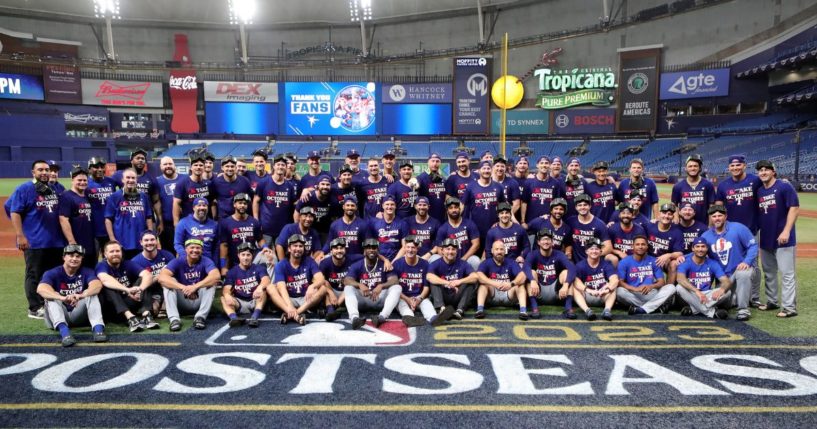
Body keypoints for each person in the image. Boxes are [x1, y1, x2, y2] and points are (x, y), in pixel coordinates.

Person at [10, 160, 66, 319]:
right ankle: (34, 307)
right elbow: (13, 211)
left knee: (52, 274)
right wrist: (20, 235)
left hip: (55, 241)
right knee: (34, 274)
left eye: (47, 170)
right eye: (40, 170)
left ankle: (50, 302)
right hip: (34, 241)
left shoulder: (56, 188)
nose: (45, 173)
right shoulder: (24, 188)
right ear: (33, 172)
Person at [714, 154, 762, 307]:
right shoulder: (723, 185)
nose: (735, 168)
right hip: (730, 232)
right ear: (729, 168)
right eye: (732, 166)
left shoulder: (755, 181)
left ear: (744, 166)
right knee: (729, 262)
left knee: (753, 264)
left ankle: (753, 297)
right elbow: (718, 208)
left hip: (752, 228)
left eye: (738, 165)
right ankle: (731, 294)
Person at [37, 244, 107, 347]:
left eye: (78, 256)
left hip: (77, 313)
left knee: (91, 294)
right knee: (52, 296)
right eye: (71, 255)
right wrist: (62, 298)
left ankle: (98, 330)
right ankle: (65, 333)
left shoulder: (87, 271)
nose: (74, 259)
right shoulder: (52, 272)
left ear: (82, 259)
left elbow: (97, 285)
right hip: (57, 316)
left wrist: (81, 295)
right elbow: (41, 289)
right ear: (63, 257)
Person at [755, 159, 800, 318]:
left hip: (784, 238)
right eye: (760, 170)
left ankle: (789, 307)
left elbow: (794, 208)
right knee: (769, 272)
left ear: (773, 171)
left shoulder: (784, 186)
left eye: (767, 169)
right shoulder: (760, 191)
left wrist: (786, 231)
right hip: (766, 237)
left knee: (787, 274)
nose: (763, 172)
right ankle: (772, 301)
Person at [699, 204, 758, 321]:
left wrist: (746, 261)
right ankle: (735, 299)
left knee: (743, 273)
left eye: (720, 215)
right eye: (714, 216)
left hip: (738, 271)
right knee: (723, 299)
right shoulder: (706, 235)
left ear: (725, 216)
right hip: (723, 278)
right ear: (710, 218)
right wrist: (682, 257)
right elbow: (700, 255)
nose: (717, 218)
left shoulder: (738, 228)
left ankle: (743, 309)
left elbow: (753, 245)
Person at [158, 239, 221, 331]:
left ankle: (200, 317)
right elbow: (161, 278)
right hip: (182, 301)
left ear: (202, 250)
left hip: (199, 300)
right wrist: (183, 287)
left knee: (212, 283)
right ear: (186, 249)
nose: (195, 250)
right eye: (192, 247)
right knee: (168, 283)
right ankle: (174, 319)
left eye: (198, 248)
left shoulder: (206, 261)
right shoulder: (177, 261)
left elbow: (216, 276)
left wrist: (195, 287)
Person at [393, 236, 455, 326]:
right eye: (408, 247)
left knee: (426, 303)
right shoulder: (397, 263)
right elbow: (395, 287)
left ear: (417, 249)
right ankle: (410, 318)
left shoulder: (425, 264)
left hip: (419, 297)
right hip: (403, 297)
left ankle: (434, 318)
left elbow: (426, 288)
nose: (410, 250)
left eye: (413, 247)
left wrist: (419, 298)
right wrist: (408, 299)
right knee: (401, 304)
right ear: (404, 248)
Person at [95, 240, 157, 331]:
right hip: (112, 309)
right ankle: (131, 319)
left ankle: (146, 316)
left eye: (117, 251)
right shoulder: (101, 265)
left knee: (145, 281)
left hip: (129, 301)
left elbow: (147, 275)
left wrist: (140, 289)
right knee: (107, 286)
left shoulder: (127, 263)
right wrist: (127, 289)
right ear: (105, 254)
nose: (115, 254)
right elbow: (105, 279)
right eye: (111, 251)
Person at [343, 238, 402, 329]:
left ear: (377, 250)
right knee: (348, 288)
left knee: (397, 287)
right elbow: (346, 280)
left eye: (374, 248)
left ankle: (382, 317)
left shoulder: (384, 264)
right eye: (368, 248)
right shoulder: (357, 265)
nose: (371, 250)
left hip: (379, 298)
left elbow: (394, 280)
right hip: (364, 298)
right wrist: (359, 284)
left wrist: (382, 285)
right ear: (364, 251)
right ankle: (355, 318)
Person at [271, 234, 327, 325]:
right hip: (288, 298)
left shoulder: (309, 261)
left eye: (301, 246)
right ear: (289, 248)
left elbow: (321, 278)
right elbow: (281, 287)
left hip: (306, 298)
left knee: (323, 288)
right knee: (271, 287)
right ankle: (295, 315)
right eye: (295, 246)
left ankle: (295, 313)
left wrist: (312, 286)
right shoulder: (281, 264)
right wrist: (289, 305)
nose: (298, 248)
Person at [616, 235, 676, 315]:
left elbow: (661, 282)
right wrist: (634, 289)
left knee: (671, 287)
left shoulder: (654, 261)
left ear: (647, 246)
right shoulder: (624, 262)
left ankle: (643, 309)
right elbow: (620, 282)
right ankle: (654, 307)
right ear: (632, 247)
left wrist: (651, 286)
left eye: (643, 244)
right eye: (637, 244)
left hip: (651, 293)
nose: (640, 247)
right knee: (618, 291)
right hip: (634, 294)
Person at [525, 228, 576, 319]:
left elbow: (572, 268)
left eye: (548, 239)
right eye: (543, 239)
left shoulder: (559, 254)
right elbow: (526, 267)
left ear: (552, 242)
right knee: (531, 273)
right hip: (538, 291)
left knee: (566, 273)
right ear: (538, 242)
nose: (546, 242)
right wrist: (532, 281)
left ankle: (568, 308)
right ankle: (534, 308)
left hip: (556, 292)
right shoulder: (532, 254)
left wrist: (565, 285)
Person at [676, 237, 731, 319]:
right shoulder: (685, 262)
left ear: (707, 248)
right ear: (693, 249)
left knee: (727, 292)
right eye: (697, 246)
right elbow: (680, 279)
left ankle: (693, 309)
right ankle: (711, 312)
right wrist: (697, 291)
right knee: (679, 287)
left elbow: (726, 281)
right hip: (692, 293)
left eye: (703, 246)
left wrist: (722, 290)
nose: (700, 249)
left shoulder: (712, 263)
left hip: (707, 295)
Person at [105, 169, 155, 260]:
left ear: (137, 180)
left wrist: (150, 235)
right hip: (122, 241)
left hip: (140, 241)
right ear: (122, 180)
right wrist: (112, 238)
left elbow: (148, 217)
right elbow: (108, 219)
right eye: (128, 178)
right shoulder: (114, 196)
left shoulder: (143, 196)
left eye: (133, 178)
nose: (131, 180)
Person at [475, 240, 529, 320]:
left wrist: (511, 284)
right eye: (496, 249)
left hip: (508, 294)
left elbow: (523, 276)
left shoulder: (511, 262)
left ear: (505, 251)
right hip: (492, 294)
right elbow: (478, 276)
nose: (499, 251)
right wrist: (493, 283)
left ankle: (523, 311)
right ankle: (480, 310)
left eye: (501, 249)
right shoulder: (486, 262)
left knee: (519, 286)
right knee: (483, 285)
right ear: (492, 251)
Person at [427, 238, 479, 320]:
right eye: (448, 249)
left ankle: (459, 311)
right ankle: (442, 309)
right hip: (443, 295)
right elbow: (429, 276)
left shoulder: (463, 263)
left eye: (453, 249)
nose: (450, 252)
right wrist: (447, 283)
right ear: (442, 250)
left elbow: (475, 277)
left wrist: (460, 281)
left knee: (471, 282)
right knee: (434, 281)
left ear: (456, 251)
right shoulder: (436, 263)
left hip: (457, 294)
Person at [111, 148, 161, 230]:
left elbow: (156, 201)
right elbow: (108, 186)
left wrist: (160, 220)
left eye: (143, 159)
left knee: (148, 241)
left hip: (147, 218)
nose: (141, 160)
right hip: (126, 218)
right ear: (131, 160)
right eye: (138, 158)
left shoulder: (151, 178)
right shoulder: (120, 175)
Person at [222, 243, 269, 328]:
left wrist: (260, 287)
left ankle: (255, 317)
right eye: (243, 255)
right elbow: (226, 288)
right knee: (223, 298)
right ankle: (234, 318)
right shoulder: (232, 272)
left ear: (252, 256)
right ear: (238, 255)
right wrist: (227, 295)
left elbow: (266, 280)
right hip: (239, 302)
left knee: (263, 291)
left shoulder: (259, 268)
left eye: (248, 255)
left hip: (255, 300)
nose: (245, 258)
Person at [254, 155, 298, 246]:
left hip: (283, 229)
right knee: (265, 256)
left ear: (286, 167)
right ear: (274, 166)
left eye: (283, 165)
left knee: (281, 255)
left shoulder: (289, 186)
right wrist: (256, 220)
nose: (280, 167)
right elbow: (256, 201)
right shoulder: (263, 183)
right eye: (278, 164)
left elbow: (294, 206)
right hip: (266, 228)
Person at [130, 230, 175, 318]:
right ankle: (156, 303)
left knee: (171, 279)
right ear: (141, 242)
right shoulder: (135, 261)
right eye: (146, 240)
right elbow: (138, 284)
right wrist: (158, 277)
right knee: (154, 311)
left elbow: (175, 274)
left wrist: (160, 277)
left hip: (168, 289)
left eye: (152, 240)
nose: (149, 243)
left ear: (157, 241)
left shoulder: (168, 255)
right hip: (149, 291)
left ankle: (165, 307)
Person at [59, 166, 96, 269]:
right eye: (79, 180)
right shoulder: (66, 196)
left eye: (85, 180)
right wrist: (72, 242)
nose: (82, 182)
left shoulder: (86, 196)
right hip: (76, 242)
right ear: (72, 180)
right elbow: (63, 219)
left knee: (89, 270)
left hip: (89, 242)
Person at [462, 160, 506, 246]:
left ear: (492, 170)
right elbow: (463, 205)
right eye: (484, 168)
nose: (486, 171)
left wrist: (501, 221)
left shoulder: (499, 186)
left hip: (494, 227)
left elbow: (504, 206)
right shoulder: (471, 186)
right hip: (475, 228)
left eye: (488, 168)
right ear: (479, 171)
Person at [573, 238, 618, 321]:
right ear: (586, 251)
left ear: (601, 251)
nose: (594, 251)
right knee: (574, 288)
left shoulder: (606, 264)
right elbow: (576, 281)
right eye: (591, 249)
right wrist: (588, 290)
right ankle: (587, 311)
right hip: (587, 295)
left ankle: (607, 310)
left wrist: (607, 289)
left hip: (602, 294)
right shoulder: (580, 265)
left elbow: (614, 279)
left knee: (613, 287)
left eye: (597, 249)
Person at [319, 237, 363, 322]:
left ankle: (335, 308)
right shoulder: (325, 263)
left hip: (347, 292)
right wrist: (330, 292)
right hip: (332, 291)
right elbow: (319, 281)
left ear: (345, 249)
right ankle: (330, 310)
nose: (339, 251)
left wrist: (385, 260)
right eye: (336, 248)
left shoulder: (353, 259)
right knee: (324, 283)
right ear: (331, 251)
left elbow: (370, 255)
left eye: (341, 248)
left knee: (350, 283)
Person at [219, 193, 264, 274]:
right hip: (234, 262)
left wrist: (266, 247)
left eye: (245, 203)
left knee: (269, 257)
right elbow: (224, 246)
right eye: (240, 203)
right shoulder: (225, 223)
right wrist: (223, 267)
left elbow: (260, 239)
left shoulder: (254, 222)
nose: (242, 205)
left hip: (252, 261)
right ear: (234, 205)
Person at [431, 196, 481, 271]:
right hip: (449, 260)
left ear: (460, 209)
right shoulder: (443, 229)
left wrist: (464, 259)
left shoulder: (469, 224)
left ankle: (473, 282)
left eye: (456, 207)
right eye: (451, 208)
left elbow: (476, 244)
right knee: (434, 258)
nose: (454, 210)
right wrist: (448, 261)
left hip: (466, 259)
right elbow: (439, 249)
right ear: (447, 210)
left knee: (475, 260)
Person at [645, 203, 685, 285]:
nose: (666, 216)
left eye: (669, 214)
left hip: (664, 261)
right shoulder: (649, 226)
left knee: (674, 264)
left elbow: (680, 252)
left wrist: (668, 255)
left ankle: (668, 291)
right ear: (659, 214)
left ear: (673, 216)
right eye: (664, 213)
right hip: (647, 259)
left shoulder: (677, 232)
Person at [566, 193, 611, 263]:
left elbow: (608, 247)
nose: (582, 207)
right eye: (579, 205)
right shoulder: (570, 221)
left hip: (593, 262)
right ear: (576, 207)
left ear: (590, 206)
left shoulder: (599, 224)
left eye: (585, 205)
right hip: (575, 262)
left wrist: (594, 255)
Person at [671, 154, 715, 225]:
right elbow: (674, 204)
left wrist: (710, 225)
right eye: (690, 166)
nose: (693, 168)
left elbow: (712, 206)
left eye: (695, 166)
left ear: (700, 168)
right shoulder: (678, 186)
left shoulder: (708, 185)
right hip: (684, 226)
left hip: (703, 224)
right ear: (686, 168)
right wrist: (676, 217)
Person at [521, 156, 564, 227]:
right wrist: (522, 221)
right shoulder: (528, 182)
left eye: (546, 163)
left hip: (549, 222)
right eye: (542, 163)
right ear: (537, 165)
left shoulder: (555, 183)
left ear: (550, 165)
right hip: (530, 221)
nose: (544, 165)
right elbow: (524, 203)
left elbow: (557, 204)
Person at [86, 157, 117, 252]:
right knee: (92, 259)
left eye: (102, 167)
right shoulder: (85, 183)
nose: (100, 169)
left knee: (111, 257)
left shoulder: (111, 182)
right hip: (93, 230)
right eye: (96, 167)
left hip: (111, 230)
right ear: (89, 169)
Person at [173, 149, 211, 225]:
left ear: (204, 167)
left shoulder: (209, 184)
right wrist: (176, 224)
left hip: (205, 223)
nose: (198, 167)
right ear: (191, 167)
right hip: (188, 223)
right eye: (195, 165)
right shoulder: (182, 183)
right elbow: (176, 203)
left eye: (201, 165)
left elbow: (212, 203)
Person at [174, 197, 219, 262]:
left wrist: (215, 264)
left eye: (204, 205)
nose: (202, 208)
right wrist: (186, 258)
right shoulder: (183, 223)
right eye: (199, 205)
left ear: (208, 208)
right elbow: (178, 244)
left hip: (208, 262)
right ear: (193, 208)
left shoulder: (214, 225)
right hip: (189, 260)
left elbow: (216, 248)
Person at [211, 155, 252, 220]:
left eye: (232, 166)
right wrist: (214, 218)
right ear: (222, 167)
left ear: (235, 167)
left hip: (241, 219)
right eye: (227, 166)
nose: (230, 169)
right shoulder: (216, 182)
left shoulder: (245, 181)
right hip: (223, 220)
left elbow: (250, 201)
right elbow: (212, 202)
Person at [367, 195, 407, 261]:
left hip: (397, 259)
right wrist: (385, 260)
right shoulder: (374, 223)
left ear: (395, 206)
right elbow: (371, 247)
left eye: (392, 204)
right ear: (383, 206)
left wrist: (394, 262)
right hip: (379, 259)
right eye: (387, 204)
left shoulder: (402, 223)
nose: (389, 207)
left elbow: (404, 246)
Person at [606, 203, 646, 268]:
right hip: (616, 258)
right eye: (623, 213)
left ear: (633, 215)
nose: (625, 215)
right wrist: (619, 253)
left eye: (628, 213)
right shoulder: (612, 229)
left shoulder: (639, 230)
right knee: (612, 258)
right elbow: (607, 247)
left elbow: (643, 249)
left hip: (633, 259)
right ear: (619, 215)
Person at [154, 156, 181, 252]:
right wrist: (160, 222)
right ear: (161, 166)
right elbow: (156, 202)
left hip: (184, 222)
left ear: (174, 165)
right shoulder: (157, 181)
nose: (168, 166)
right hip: (166, 224)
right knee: (168, 251)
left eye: (170, 164)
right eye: (165, 164)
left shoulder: (185, 179)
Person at [417, 152, 448, 222]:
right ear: (428, 162)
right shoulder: (421, 177)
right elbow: (415, 182)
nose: (435, 164)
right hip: (427, 218)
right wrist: (413, 182)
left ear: (440, 163)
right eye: (432, 161)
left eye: (437, 161)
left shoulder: (443, 179)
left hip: (441, 216)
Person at [492, 156, 521, 220]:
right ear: (493, 167)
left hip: (507, 219)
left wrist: (506, 216)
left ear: (505, 168)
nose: (500, 169)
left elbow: (516, 204)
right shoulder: (487, 182)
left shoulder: (513, 183)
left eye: (502, 166)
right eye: (497, 166)